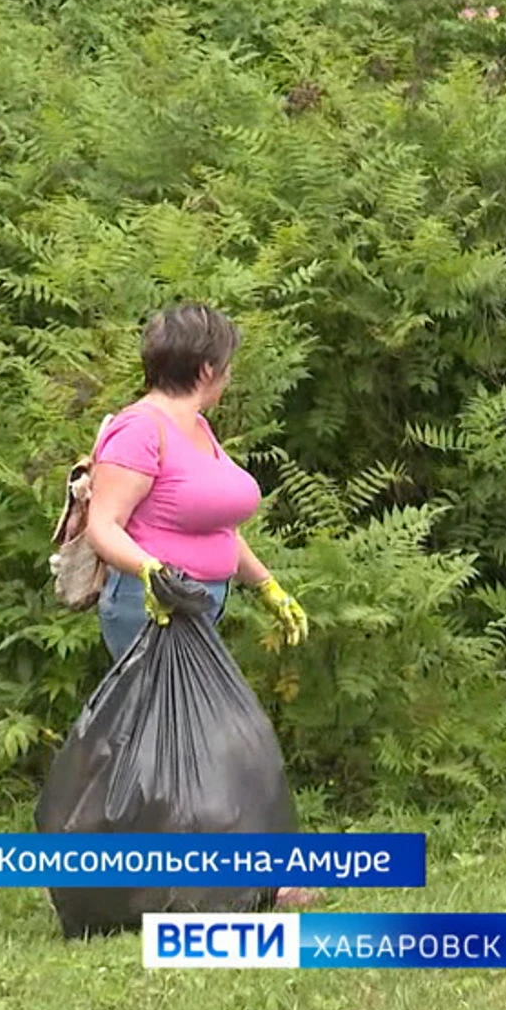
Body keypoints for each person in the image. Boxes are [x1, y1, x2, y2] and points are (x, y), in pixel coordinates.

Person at [82, 301, 315, 905]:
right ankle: (219, 885)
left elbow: (217, 529)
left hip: (198, 609)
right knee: (205, 742)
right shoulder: (140, 429)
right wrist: (152, 571)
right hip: (149, 609)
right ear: (209, 367)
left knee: (192, 744)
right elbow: (103, 527)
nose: (230, 373)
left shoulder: (198, 428)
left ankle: (199, 882)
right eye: (229, 362)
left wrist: (266, 586)